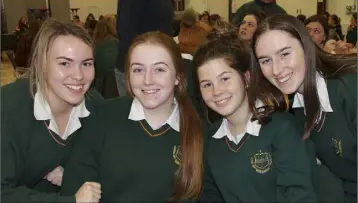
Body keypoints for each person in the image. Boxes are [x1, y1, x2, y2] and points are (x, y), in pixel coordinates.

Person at [60, 31, 204, 202]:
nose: (147, 80)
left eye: (159, 69)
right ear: (127, 75)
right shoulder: (102, 118)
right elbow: (74, 187)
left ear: (178, 77)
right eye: (138, 69)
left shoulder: (198, 132)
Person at [193, 24, 317, 202]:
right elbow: (210, 195)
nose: (216, 91)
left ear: (247, 78)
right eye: (207, 84)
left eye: (225, 79)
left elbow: (300, 195)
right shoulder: (210, 139)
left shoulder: (282, 128)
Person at [252, 14, 357, 202]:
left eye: (284, 54)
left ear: (305, 47)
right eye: (266, 60)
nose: (276, 70)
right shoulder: (297, 111)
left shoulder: (349, 91)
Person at [1, 19, 103, 203]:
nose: (78, 75)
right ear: (42, 63)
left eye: (86, 63)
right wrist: (73, 201)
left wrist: (71, 175)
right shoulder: (8, 109)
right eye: (65, 63)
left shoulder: (94, 106)